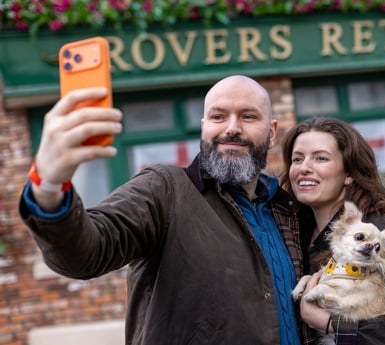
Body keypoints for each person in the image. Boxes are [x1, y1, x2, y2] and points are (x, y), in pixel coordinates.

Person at [18, 75, 305, 345]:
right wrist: (49, 186)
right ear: (205, 127)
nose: (232, 127)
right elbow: (87, 252)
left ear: (271, 133)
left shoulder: (288, 208)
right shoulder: (164, 190)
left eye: (248, 116)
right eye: (218, 116)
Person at [280, 117, 385, 345]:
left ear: (349, 173)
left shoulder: (381, 234)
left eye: (320, 158)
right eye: (297, 159)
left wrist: (331, 324)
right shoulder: (294, 234)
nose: (304, 168)